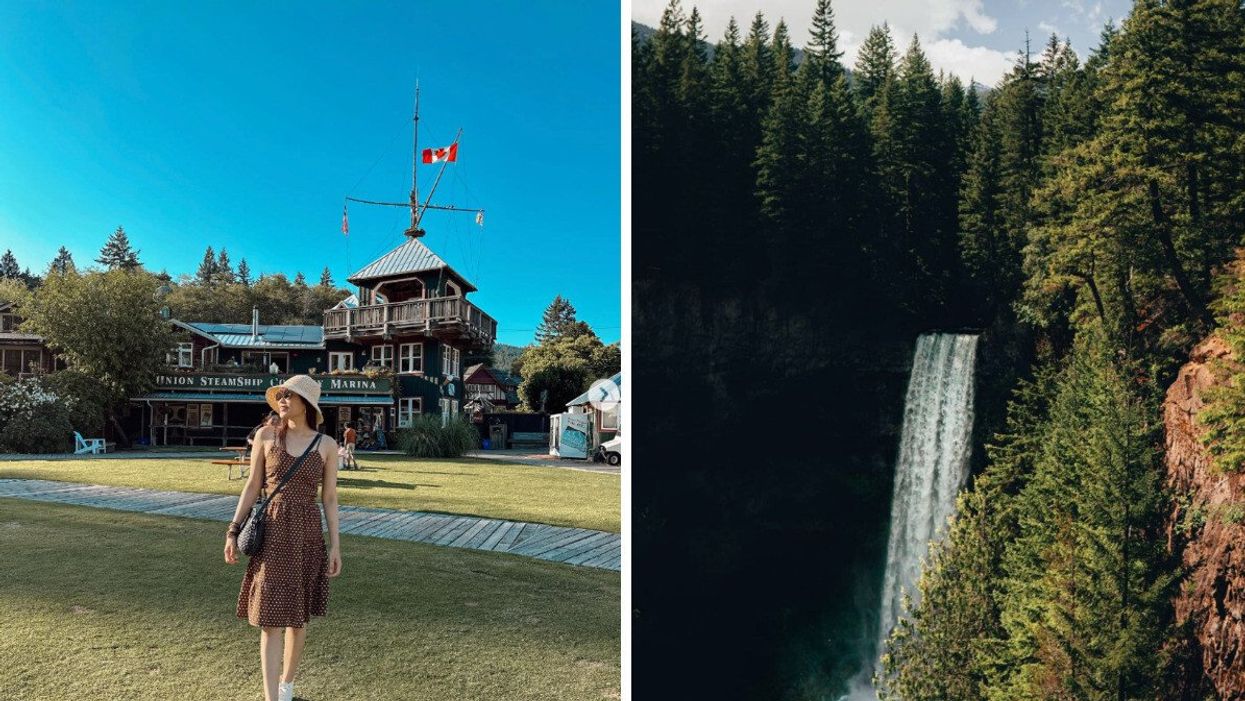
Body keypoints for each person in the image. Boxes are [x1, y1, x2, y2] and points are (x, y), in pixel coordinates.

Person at [224, 375, 342, 701]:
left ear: (306, 404)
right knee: (269, 619)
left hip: (306, 533)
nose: (283, 401)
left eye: (290, 396)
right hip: (272, 531)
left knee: (297, 617)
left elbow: (329, 498)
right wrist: (232, 529)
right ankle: (271, 698)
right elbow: (252, 486)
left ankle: (286, 686)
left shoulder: (327, 445)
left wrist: (335, 545)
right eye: (281, 396)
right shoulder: (265, 436)